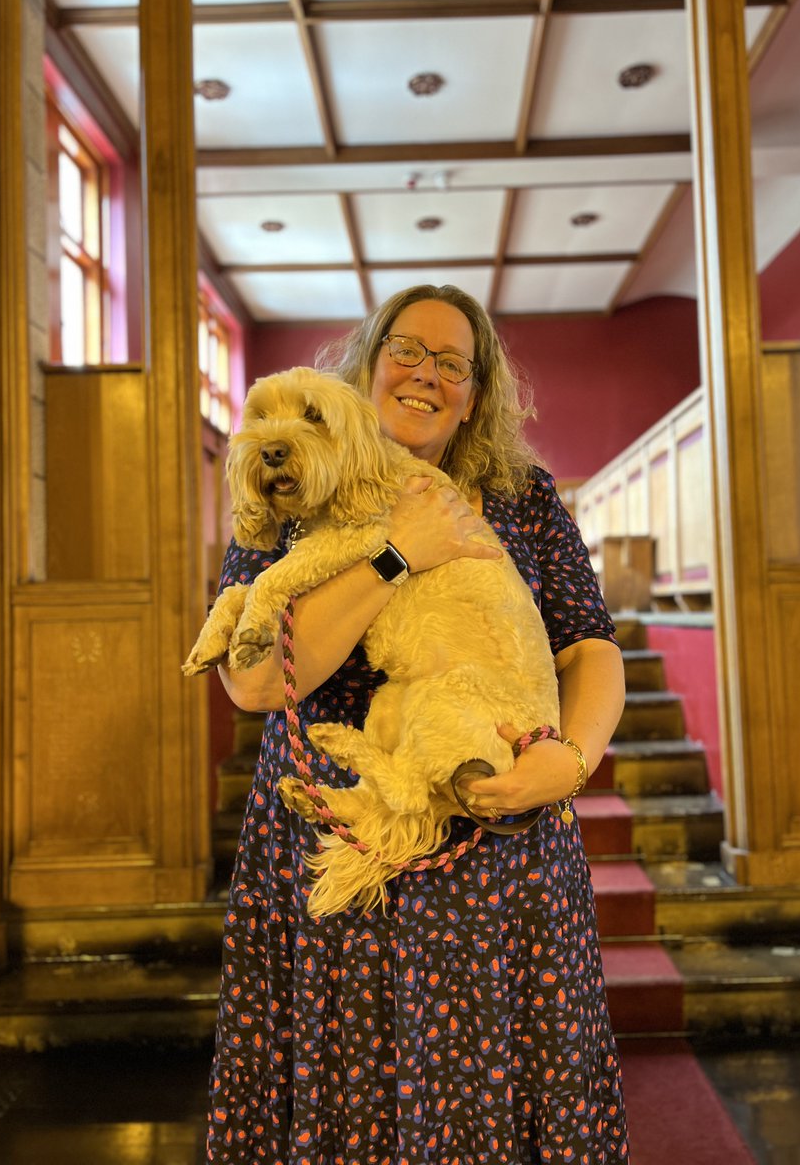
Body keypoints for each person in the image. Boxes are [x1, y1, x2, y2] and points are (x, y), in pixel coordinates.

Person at [206, 284, 630, 1164]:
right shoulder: (287, 480)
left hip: (495, 841)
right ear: (366, 359)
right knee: (348, 1084)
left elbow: (590, 647)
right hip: (337, 841)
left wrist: (574, 760)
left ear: (476, 395)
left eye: (453, 364)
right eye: (407, 350)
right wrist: (399, 555)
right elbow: (252, 683)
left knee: (498, 1085)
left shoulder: (523, 496)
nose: (426, 375)